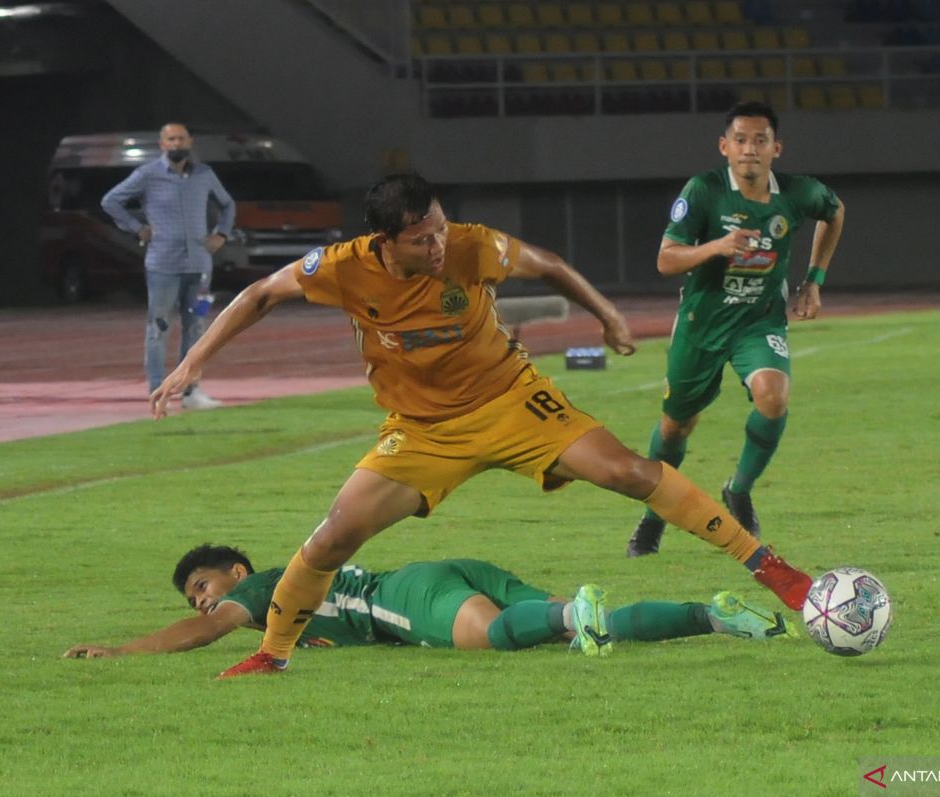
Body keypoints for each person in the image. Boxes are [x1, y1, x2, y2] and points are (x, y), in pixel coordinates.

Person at [148, 172, 813, 678]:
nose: (438, 244)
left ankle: (770, 568)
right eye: (421, 238)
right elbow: (260, 294)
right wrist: (190, 364)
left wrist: (607, 315)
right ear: (386, 242)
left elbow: (546, 262)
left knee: (628, 472)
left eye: (439, 227)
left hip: (513, 401)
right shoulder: (344, 267)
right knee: (329, 540)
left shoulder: (470, 247)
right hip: (422, 432)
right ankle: (273, 655)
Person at [626, 101, 846, 558]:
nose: (750, 149)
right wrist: (717, 247)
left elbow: (836, 211)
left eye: (760, 140)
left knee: (774, 395)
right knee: (675, 428)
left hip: (758, 319)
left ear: (776, 148)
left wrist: (814, 280)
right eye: (741, 140)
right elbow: (666, 259)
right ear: (725, 147)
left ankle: (738, 489)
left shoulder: (799, 193)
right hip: (702, 323)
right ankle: (652, 518)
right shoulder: (704, 191)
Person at [63, 544, 795, 661]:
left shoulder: (262, 589)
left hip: (402, 597)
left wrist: (122, 651)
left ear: (236, 571)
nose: (202, 603)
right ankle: (714, 615)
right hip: (445, 567)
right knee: (568, 636)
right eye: (195, 597)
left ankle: (577, 611)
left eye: (202, 588)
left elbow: (208, 634)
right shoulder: (283, 579)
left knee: (497, 641)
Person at [101, 122, 235, 410]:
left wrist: (222, 234)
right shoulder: (148, 175)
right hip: (163, 266)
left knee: (197, 326)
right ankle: (157, 392)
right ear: (162, 144)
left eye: (181, 139)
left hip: (200, 267)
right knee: (158, 327)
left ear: (190, 142)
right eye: (171, 139)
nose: (176, 144)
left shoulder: (204, 174)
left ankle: (191, 392)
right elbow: (110, 201)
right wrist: (136, 228)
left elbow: (228, 204)